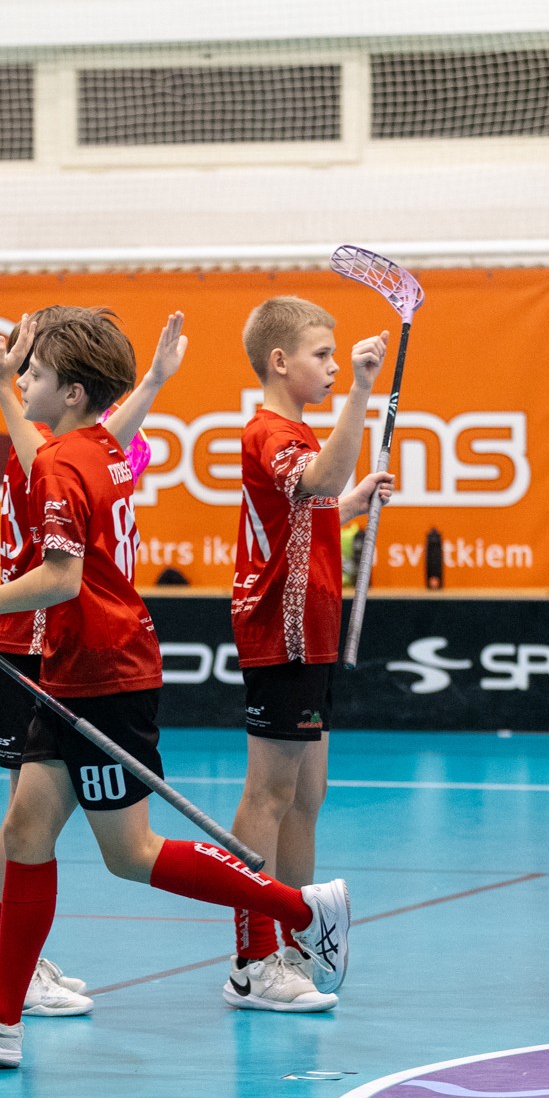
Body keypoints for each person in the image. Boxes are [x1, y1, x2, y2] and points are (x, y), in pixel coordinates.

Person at [0, 307, 349, 1069]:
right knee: (26, 831)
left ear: (73, 393)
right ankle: (0, 1017)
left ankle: (301, 910)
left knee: (131, 853)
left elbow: (62, 577)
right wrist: (152, 381)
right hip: (77, 669)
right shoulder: (102, 448)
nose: (25, 384)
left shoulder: (64, 461)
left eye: (37, 375)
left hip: (104, 674)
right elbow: (96, 439)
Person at [0, 307, 186, 1017]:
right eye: (28, 369)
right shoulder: (39, 451)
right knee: (21, 820)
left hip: (58, 642)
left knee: (30, 822)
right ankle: (8, 967)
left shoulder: (68, 447)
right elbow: (97, 441)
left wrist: (153, 381)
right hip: (25, 639)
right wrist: (3, 385)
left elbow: (106, 437)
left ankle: (17, 967)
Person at [225, 297, 392, 1011]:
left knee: (306, 796)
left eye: (335, 357)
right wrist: (362, 390)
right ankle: (252, 959)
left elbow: (311, 505)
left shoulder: (296, 434)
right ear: (279, 362)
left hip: (313, 631)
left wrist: (351, 504)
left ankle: (292, 939)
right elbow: (316, 481)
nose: (332, 367)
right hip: (281, 631)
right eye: (322, 355)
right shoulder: (270, 430)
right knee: (268, 794)